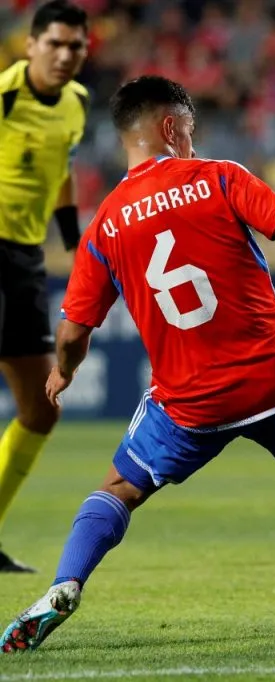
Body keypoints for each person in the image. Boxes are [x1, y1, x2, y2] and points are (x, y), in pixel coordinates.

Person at [0, 75, 275, 652]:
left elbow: (75, 327)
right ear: (172, 128)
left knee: (120, 488)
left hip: (192, 398)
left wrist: (63, 371)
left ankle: (65, 583)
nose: (195, 141)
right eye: (191, 130)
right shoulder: (218, 177)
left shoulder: (105, 223)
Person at [0, 0, 90, 573]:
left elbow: (60, 172)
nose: (63, 55)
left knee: (41, 406)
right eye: (53, 43)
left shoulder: (76, 106)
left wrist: (74, 243)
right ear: (29, 44)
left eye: (74, 47)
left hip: (25, 260)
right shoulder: (5, 96)